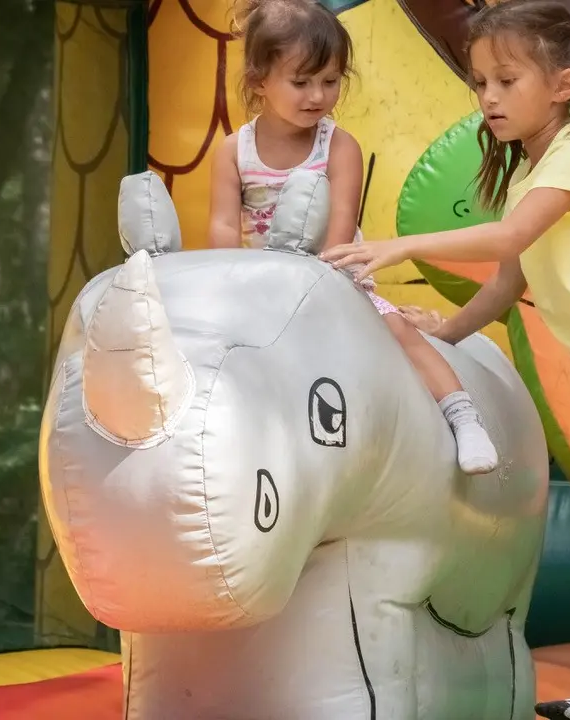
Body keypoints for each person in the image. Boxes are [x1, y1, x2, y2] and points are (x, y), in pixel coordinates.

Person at [320, 1, 570, 718]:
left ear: (563, 86)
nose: (490, 99)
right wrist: (435, 335)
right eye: (479, 84)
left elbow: (510, 237)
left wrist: (402, 246)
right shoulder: (528, 174)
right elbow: (507, 287)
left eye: (506, 81)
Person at [206, 0, 498, 475]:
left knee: (397, 330)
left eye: (330, 80)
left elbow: (341, 225)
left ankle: (462, 416)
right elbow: (222, 225)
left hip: (334, 280)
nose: (318, 95)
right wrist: (232, 284)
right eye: (301, 82)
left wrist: (320, 282)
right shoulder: (233, 150)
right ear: (260, 81)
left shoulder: (338, 146)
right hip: (258, 287)